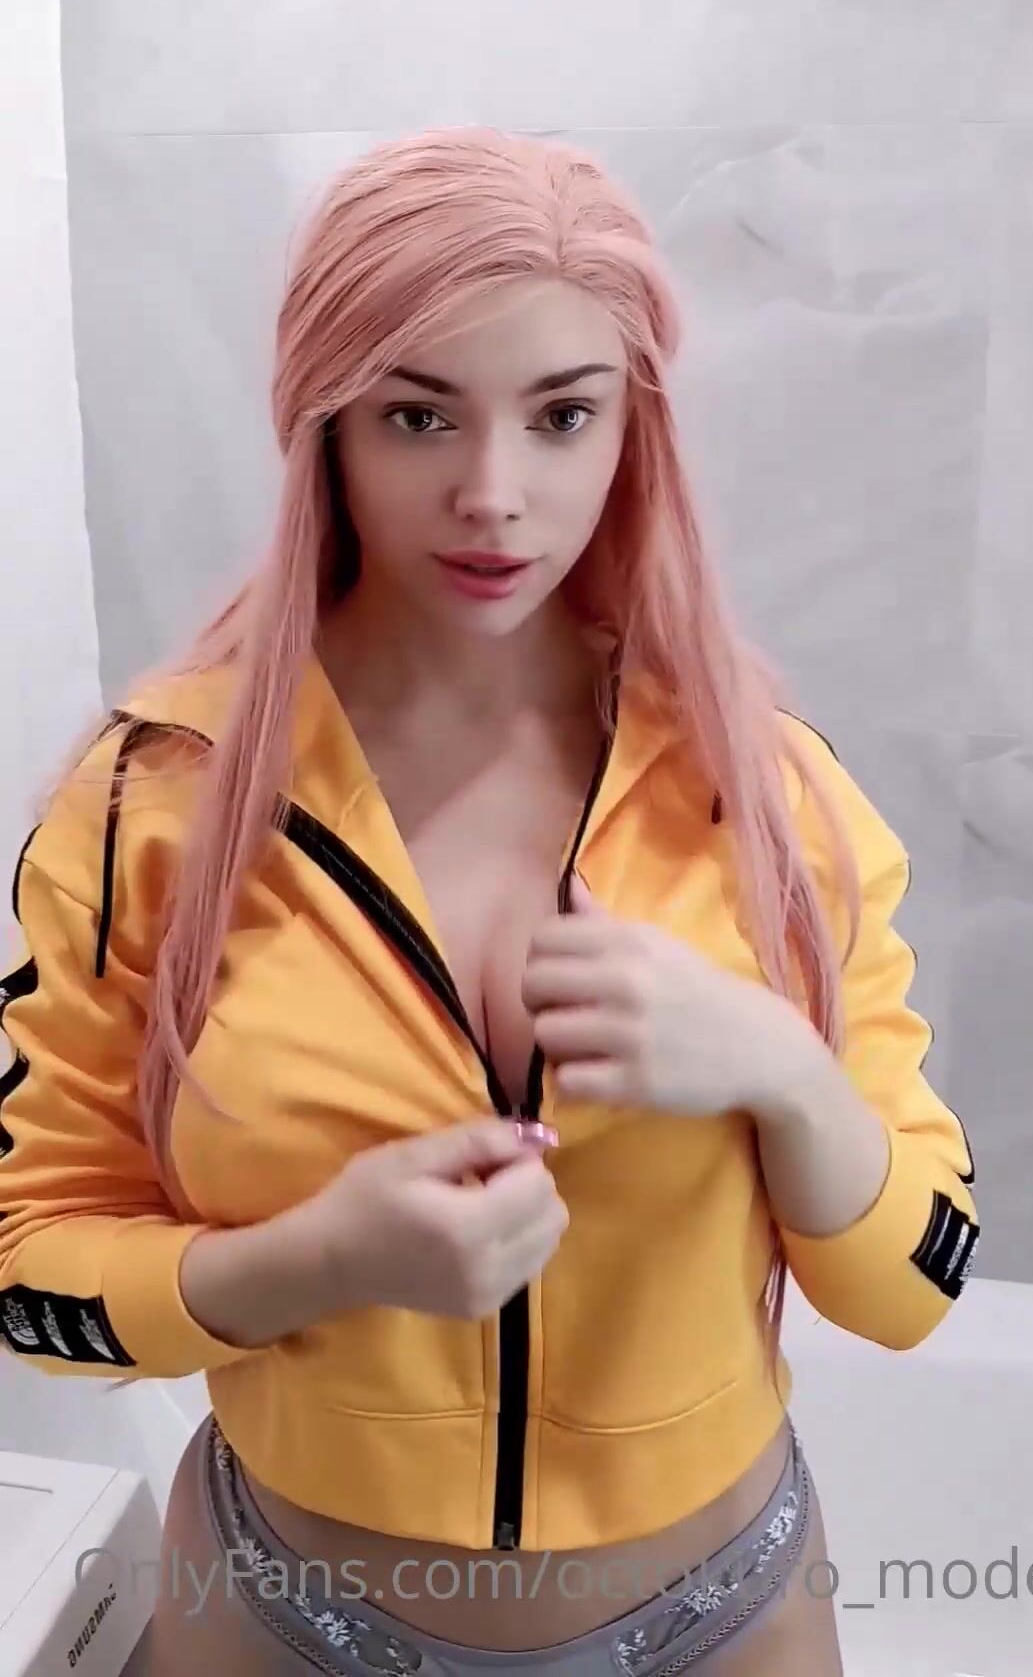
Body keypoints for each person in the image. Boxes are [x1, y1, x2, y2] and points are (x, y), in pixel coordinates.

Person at [0, 127, 978, 1676]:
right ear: (326, 425)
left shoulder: (765, 796)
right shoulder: (153, 805)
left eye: (562, 414)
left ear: (631, 428)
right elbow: (29, 1265)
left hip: (722, 1616)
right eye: (418, 415)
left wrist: (786, 1074)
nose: (494, 496)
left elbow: (919, 1282)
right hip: (278, 1613)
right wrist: (309, 1264)